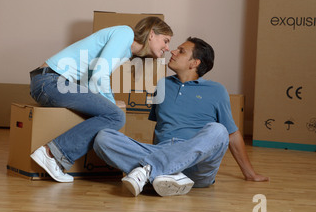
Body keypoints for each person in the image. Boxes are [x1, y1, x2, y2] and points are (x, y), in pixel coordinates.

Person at [93, 37, 269, 196]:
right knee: (103, 137)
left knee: (218, 130)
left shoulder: (217, 90)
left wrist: (250, 174)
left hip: (197, 165)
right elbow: (160, 126)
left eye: (181, 51)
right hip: (163, 151)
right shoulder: (162, 85)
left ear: (194, 63)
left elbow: (231, 134)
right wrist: (164, 155)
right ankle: (168, 174)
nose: (173, 51)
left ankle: (149, 171)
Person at [29, 17, 173, 183]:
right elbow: (98, 76)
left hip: (50, 82)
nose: (168, 48)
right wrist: (112, 105)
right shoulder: (125, 33)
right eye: (166, 40)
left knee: (112, 114)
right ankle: (51, 153)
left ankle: (55, 154)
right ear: (151, 34)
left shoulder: (127, 51)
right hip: (51, 82)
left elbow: (91, 79)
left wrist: (109, 103)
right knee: (117, 116)